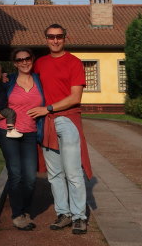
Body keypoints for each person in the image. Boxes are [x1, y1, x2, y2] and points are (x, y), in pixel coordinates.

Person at [28, 23, 93, 235]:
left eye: (59, 37)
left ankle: (79, 216)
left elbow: (75, 97)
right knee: (54, 174)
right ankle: (63, 213)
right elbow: (30, 88)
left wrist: (47, 108)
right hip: (46, 122)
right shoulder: (40, 63)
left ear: (65, 38)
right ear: (45, 39)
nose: (55, 40)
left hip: (67, 120)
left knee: (73, 171)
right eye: (50, 37)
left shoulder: (74, 63)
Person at [0, 48, 45, 231]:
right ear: (14, 63)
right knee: (16, 174)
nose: (24, 62)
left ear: (32, 59)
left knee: (30, 177)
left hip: (29, 132)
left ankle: (25, 209)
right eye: (19, 60)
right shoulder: (8, 80)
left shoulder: (39, 80)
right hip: (7, 130)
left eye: (27, 58)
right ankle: (18, 214)